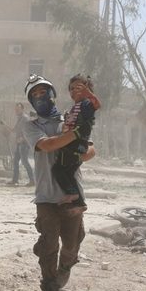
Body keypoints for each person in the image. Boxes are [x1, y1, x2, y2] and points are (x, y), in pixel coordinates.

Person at [22, 74, 95, 291]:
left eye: (44, 92)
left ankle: (64, 271)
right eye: (35, 95)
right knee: (50, 243)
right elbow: (46, 145)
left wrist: (78, 153)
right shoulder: (31, 126)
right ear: (31, 101)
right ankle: (49, 290)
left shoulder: (70, 119)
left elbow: (91, 149)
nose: (40, 97)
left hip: (72, 195)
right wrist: (74, 136)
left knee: (72, 246)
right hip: (46, 197)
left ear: (52, 94)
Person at [52, 74, 100, 209]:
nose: (74, 91)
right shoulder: (76, 107)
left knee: (58, 169)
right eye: (71, 89)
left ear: (87, 89)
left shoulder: (86, 103)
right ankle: (79, 202)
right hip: (77, 144)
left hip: (75, 143)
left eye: (78, 88)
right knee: (68, 173)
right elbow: (70, 125)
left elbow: (97, 105)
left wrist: (89, 94)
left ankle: (72, 193)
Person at [5, 102, 34, 187]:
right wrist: (5, 125)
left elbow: (30, 132)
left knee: (25, 162)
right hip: (19, 145)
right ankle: (15, 180)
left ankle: (32, 181)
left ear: (22, 109)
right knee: (15, 162)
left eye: (18, 109)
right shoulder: (19, 119)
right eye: (16, 109)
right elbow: (13, 130)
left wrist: (23, 139)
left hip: (24, 144)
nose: (16, 110)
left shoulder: (25, 118)